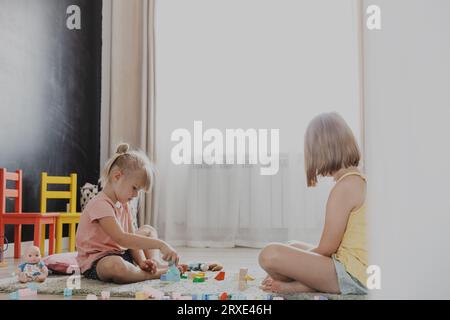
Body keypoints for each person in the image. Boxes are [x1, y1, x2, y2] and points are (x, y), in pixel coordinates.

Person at [259, 112, 368, 295]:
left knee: (269, 255)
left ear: (322, 152)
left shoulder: (345, 187)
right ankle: (307, 283)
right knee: (291, 244)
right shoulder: (359, 179)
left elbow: (326, 249)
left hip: (353, 275)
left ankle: (305, 285)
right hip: (355, 266)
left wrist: (293, 269)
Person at [76, 143, 179, 284]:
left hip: (121, 252)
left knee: (148, 230)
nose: (136, 195)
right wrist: (161, 245)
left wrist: (143, 261)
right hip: (99, 261)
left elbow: (131, 238)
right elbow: (122, 239)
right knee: (116, 266)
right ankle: (152, 275)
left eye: (139, 191)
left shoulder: (124, 204)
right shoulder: (99, 204)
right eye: (135, 188)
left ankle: (153, 264)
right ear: (117, 176)